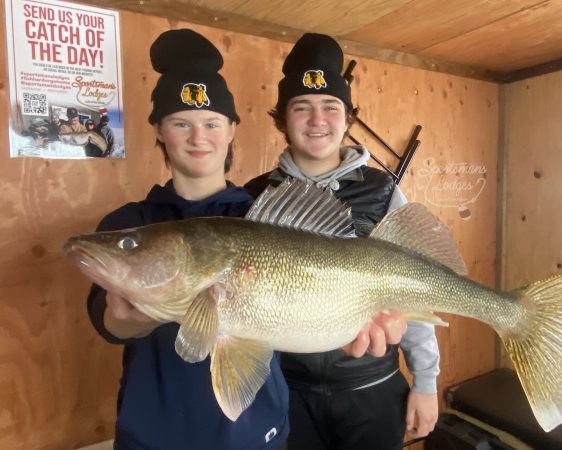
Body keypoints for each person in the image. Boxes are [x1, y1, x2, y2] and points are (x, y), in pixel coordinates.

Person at [85, 29, 404, 450]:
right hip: (153, 436)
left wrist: (348, 323)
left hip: (257, 433)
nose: (199, 138)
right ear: (159, 129)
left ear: (232, 129)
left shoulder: (259, 210)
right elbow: (107, 321)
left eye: (212, 123)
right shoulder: (130, 222)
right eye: (181, 123)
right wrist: (131, 315)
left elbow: (309, 294)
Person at [245, 33, 440, 450]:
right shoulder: (254, 197)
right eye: (302, 107)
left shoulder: (384, 191)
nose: (318, 120)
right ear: (282, 119)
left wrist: (426, 382)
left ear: (347, 117)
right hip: (288, 392)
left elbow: (416, 289)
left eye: (331, 107)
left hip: (373, 388)